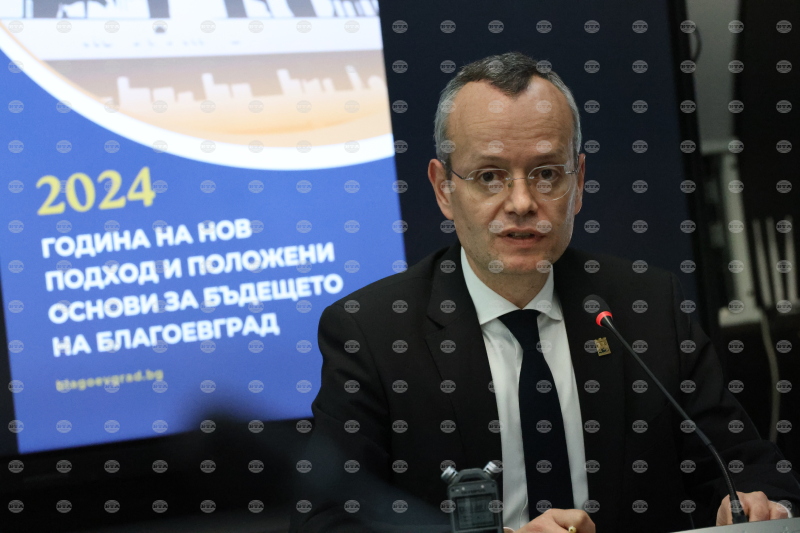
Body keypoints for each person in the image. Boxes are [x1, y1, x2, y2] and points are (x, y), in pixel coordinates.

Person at [288, 51, 800, 533]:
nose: (521, 202)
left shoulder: (647, 307)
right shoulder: (373, 332)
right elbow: (328, 521)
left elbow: (748, 468)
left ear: (578, 182)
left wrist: (758, 505)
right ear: (444, 188)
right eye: (490, 176)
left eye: (547, 174)